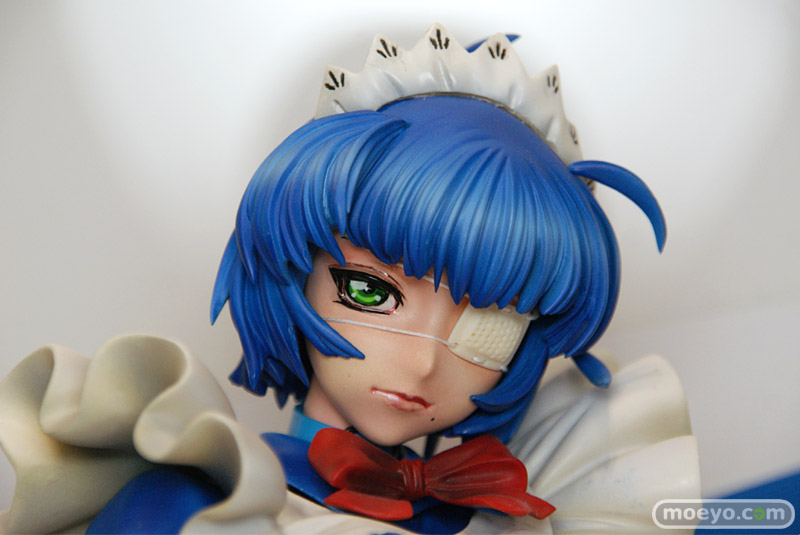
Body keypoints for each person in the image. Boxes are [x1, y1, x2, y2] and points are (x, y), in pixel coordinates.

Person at [0, 25, 699, 534]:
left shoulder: (517, 515)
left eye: (489, 328)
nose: (423, 363)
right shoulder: (192, 501)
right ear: (293, 267)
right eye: (371, 291)